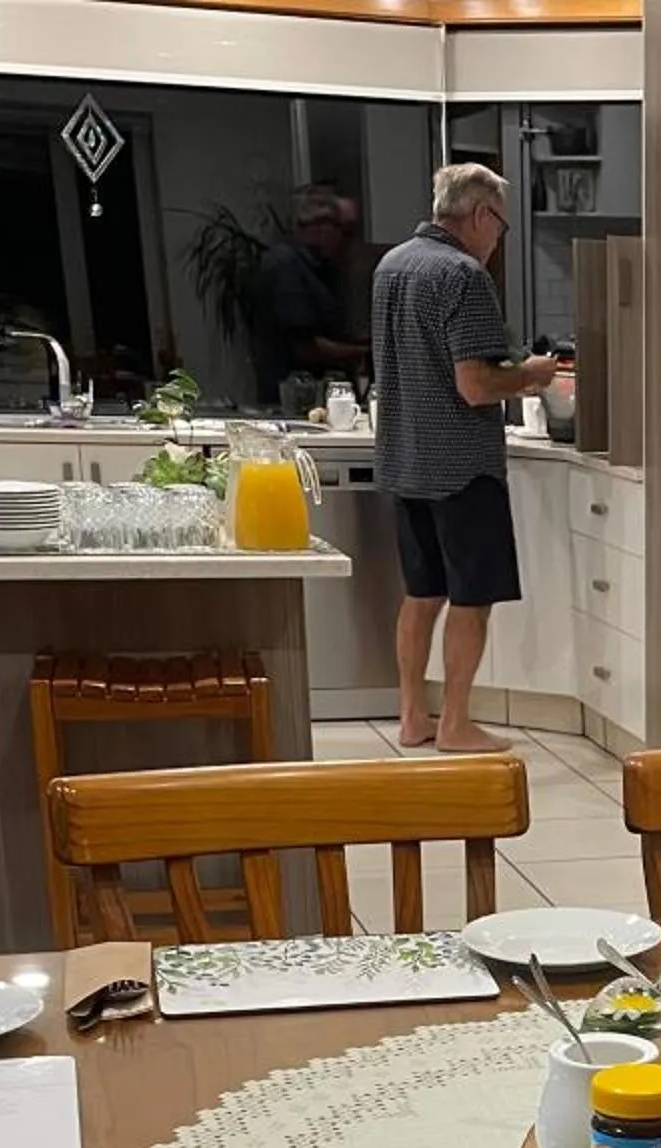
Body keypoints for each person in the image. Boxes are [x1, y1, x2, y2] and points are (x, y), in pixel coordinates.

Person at [371, 163, 559, 751]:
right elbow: (475, 385)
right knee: (471, 600)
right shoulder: (463, 275)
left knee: (421, 594)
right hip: (463, 468)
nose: (497, 241)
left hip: (406, 459)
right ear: (480, 215)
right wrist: (530, 376)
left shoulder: (392, 265)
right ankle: (454, 723)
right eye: (499, 227)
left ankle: (411, 717)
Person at [250, 187, 374, 406]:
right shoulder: (286, 265)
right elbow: (306, 348)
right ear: (321, 228)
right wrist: (364, 352)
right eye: (344, 232)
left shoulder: (320, 269)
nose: (347, 243)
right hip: (292, 401)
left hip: (314, 399)